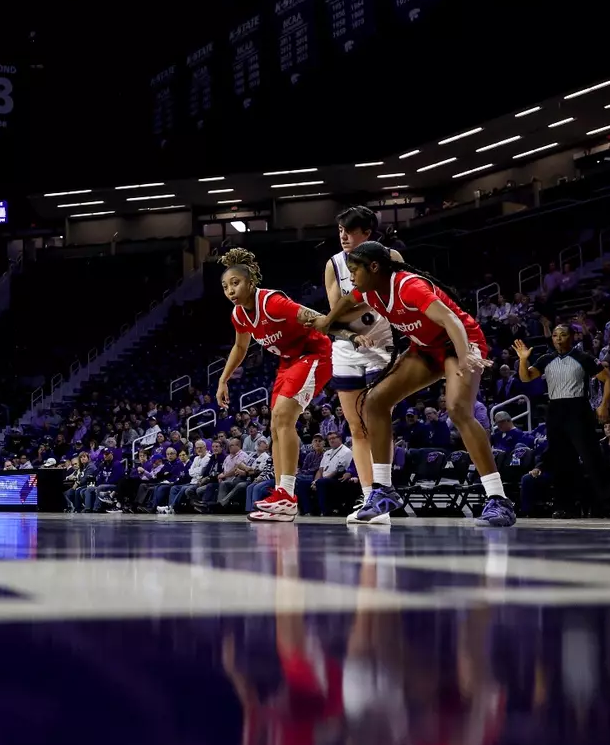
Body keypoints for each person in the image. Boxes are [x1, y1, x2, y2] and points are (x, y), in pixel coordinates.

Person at [317, 241, 514, 526]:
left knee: (458, 409)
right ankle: (383, 491)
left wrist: (465, 357)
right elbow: (347, 301)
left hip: (459, 341)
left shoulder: (410, 286)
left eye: (355, 270)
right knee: (374, 401)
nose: (351, 277)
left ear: (374, 267)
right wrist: (328, 320)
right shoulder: (370, 290)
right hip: (425, 348)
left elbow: (451, 320)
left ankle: (499, 500)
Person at [214, 248, 333, 522]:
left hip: (314, 353)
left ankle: (288, 496)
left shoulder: (272, 302)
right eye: (225, 287)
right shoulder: (239, 315)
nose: (230, 290)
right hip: (288, 362)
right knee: (275, 425)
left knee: (282, 417)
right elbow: (240, 347)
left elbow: (314, 317)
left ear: (251, 282)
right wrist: (223, 379)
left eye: (235, 283)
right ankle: (282, 495)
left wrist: (350, 333)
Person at [324, 206, 400, 516]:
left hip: (381, 345)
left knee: (376, 420)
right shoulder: (333, 264)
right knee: (356, 428)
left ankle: (384, 492)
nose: (343, 235)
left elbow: (401, 298)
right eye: (340, 229)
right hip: (346, 347)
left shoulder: (389, 257)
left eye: (350, 230)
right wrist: (352, 334)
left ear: (366, 233)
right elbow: (334, 318)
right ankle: (369, 497)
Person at [515, 325, 610, 516]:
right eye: (555, 335)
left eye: (563, 335)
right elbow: (526, 378)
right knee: (561, 459)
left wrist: (604, 405)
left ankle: (609, 503)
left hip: (578, 407)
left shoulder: (582, 357)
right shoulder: (546, 359)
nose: (558, 338)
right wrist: (523, 359)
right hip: (555, 409)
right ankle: (565, 505)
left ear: (572, 337)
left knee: (591, 457)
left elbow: (609, 380)